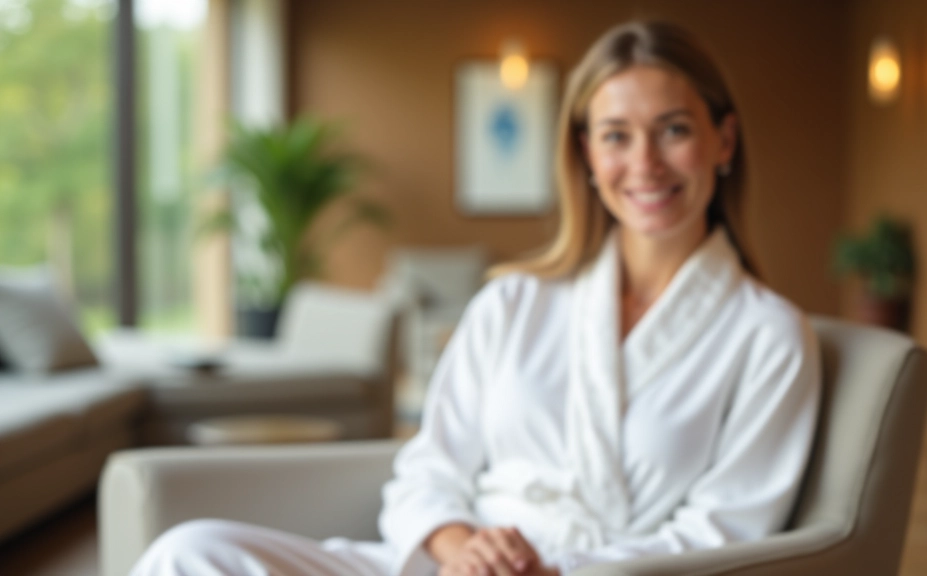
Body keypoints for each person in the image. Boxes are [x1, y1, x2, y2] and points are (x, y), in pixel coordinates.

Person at [130, 20, 820, 576]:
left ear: (722, 139)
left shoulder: (769, 337)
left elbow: (726, 532)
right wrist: (460, 545)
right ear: (585, 153)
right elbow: (428, 468)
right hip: (454, 566)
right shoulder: (514, 303)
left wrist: (551, 568)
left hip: (594, 574)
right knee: (188, 553)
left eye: (674, 129)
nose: (644, 163)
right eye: (616, 136)